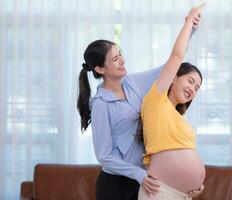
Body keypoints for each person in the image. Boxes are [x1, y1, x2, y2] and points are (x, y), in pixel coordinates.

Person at [76, 13, 200, 200]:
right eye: (115, 59)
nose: (122, 60)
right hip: (116, 184)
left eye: (121, 54)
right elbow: (105, 156)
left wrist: (190, 29)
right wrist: (138, 174)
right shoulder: (101, 104)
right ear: (101, 69)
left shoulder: (133, 83)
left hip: (143, 180)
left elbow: (170, 65)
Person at [138, 4, 206, 200]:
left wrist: (195, 186)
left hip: (182, 195)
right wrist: (188, 23)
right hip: (160, 192)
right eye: (190, 81)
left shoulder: (178, 118)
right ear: (174, 78)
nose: (193, 89)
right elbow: (177, 55)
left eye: (197, 88)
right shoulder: (156, 100)